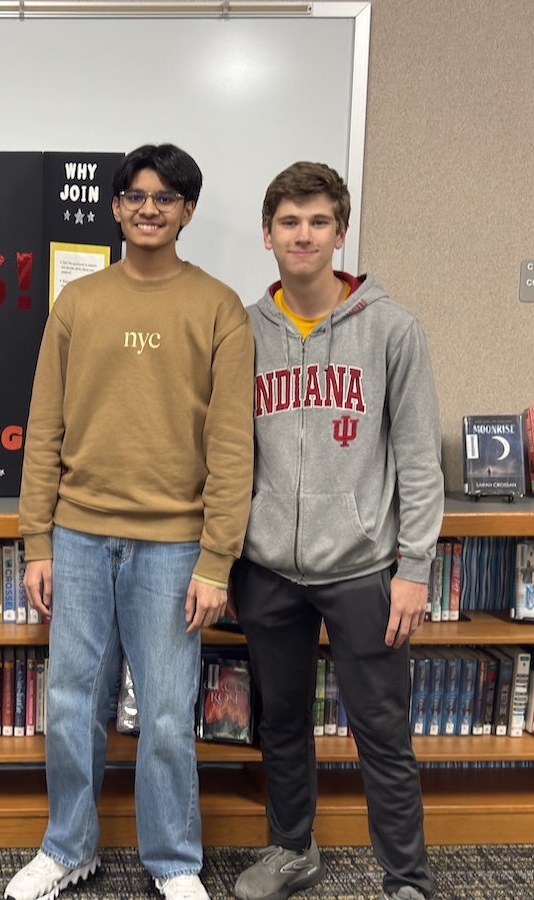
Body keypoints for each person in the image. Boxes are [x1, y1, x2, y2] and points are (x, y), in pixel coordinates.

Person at [5, 143, 254, 900]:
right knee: (71, 703)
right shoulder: (78, 303)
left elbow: (232, 443)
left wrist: (217, 560)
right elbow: (43, 426)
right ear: (115, 207)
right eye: (137, 195)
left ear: (187, 211)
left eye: (167, 197)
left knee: (171, 714)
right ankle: (67, 848)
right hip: (78, 537)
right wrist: (38, 539)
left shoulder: (218, 308)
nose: (150, 208)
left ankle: (174, 863)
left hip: (176, 546)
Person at [230, 161, 443, 900]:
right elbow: (225, 454)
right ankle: (293, 852)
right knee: (281, 723)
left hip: (362, 571)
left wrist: (414, 567)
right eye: (289, 221)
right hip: (268, 571)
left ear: (341, 232)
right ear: (267, 234)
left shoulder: (392, 328)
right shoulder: (244, 330)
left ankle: (406, 878)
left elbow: (418, 461)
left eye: (319, 221)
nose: (303, 234)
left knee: (382, 732)